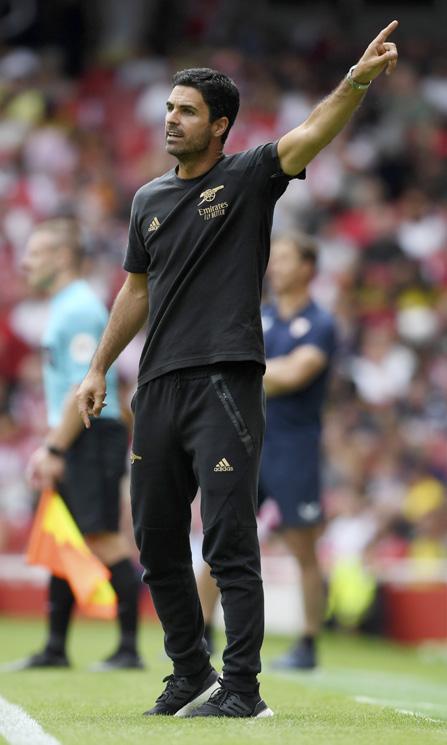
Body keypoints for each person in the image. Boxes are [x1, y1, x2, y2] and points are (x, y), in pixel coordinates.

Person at [76, 21, 398, 718]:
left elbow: (311, 134)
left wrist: (356, 80)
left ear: (219, 124)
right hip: (156, 386)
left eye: (187, 111)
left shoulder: (248, 177)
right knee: (156, 543)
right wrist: (99, 367)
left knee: (227, 540)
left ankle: (243, 688)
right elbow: (135, 290)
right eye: (169, 108)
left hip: (225, 381)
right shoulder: (147, 201)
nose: (170, 119)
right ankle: (189, 672)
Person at [198, 233, 336, 670]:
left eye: (286, 259)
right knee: (221, 537)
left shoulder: (320, 323)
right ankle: (201, 632)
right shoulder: (260, 317)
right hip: (245, 443)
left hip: (294, 450)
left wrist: (241, 370)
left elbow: (295, 374)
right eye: (274, 258)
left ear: (308, 268)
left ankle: (308, 643)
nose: (274, 266)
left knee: (302, 546)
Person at [15, 218, 143, 671]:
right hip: (74, 434)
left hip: (91, 433)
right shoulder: (65, 306)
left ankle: (129, 648)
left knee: (102, 538)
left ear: (62, 256)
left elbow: (81, 386)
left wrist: (53, 449)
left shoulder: (81, 309)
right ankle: (55, 647)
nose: (25, 262)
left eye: (35, 253)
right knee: (64, 538)